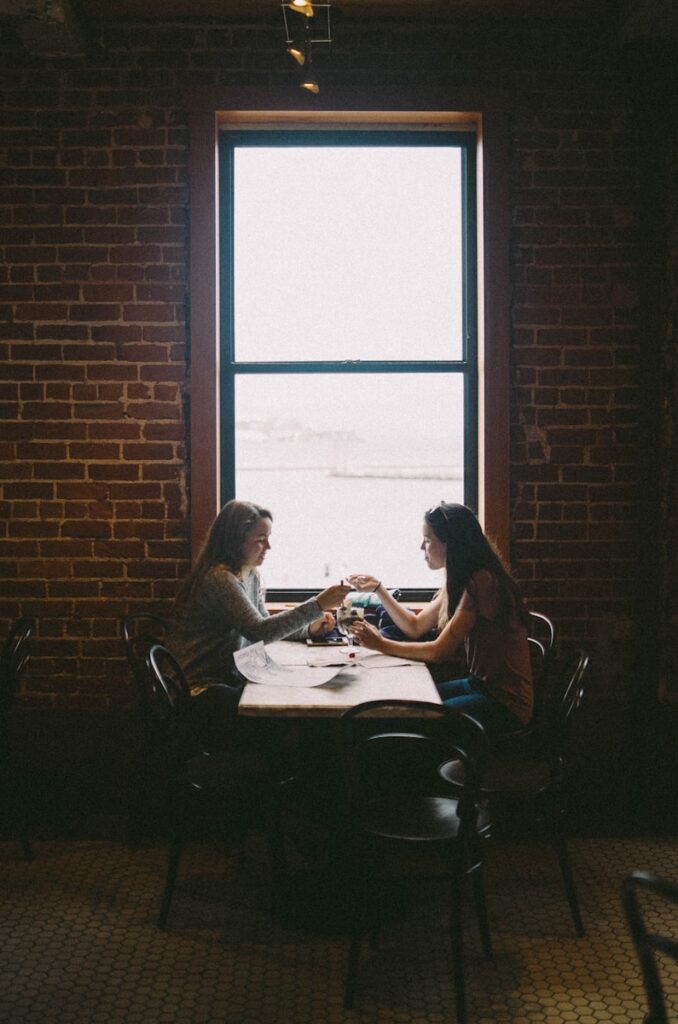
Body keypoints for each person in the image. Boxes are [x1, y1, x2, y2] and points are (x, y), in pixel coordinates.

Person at [173, 499, 351, 749]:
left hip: (231, 677)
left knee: (297, 701)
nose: (268, 546)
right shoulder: (219, 579)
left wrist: (310, 629)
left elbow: (265, 623)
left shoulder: (250, 574)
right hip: (202, 690)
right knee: (294, 713)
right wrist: (318, 604)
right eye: (260, 539)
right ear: (235, 540)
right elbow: (258, 631)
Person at [349, 502, 533, 737]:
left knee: (415, 718)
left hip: (505, 704)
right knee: (408, 702)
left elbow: (438, 652)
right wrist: (379, 590)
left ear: (450, 543)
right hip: (479, 685)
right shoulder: (463, 577)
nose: (421, 547)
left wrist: (380, 644)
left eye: (427, 540)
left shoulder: (482, 581)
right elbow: (416, 627)